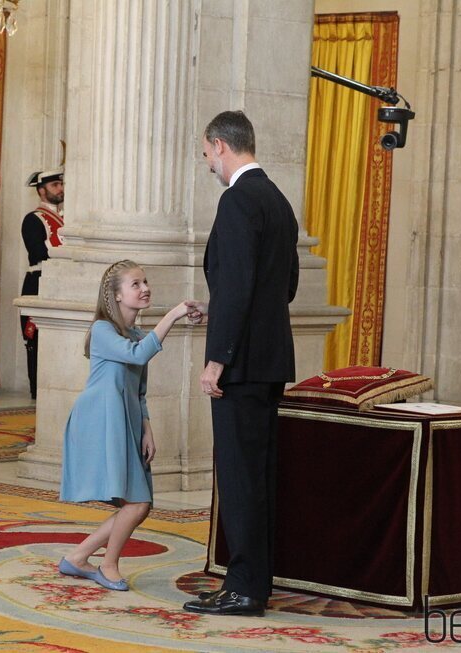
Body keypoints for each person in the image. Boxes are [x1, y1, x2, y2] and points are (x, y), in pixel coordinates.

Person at [182, 111, 300, 617]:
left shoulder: (236, 201)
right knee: (258, 476)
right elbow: (281, 287)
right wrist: (224, 312)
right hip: (270, 359)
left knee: (239, 477)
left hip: (242, 365)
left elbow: (234, 286)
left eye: (207, 152)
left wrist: (217, 359)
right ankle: (254, 581)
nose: (207, 161)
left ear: (219, 145)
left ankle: (245, 588)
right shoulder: (277, 200)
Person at [58, 260, 190, 591]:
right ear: (116, 295)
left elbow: (139, 390)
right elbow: (138, 355)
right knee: (138, 502)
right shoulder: (103, 330)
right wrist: (173, 314)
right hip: (101, 420)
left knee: (138, 504)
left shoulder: (136, 334)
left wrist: (147, 428)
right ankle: (108, 565)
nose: (144, 288)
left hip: (127, 419)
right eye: (135, 284)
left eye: (145, 282)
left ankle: (78, 557)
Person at [20, 169, 65, 399]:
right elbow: (38, 252)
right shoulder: (33, 219)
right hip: (39, 281)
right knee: (36, 340)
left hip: (64, 282)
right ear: (41, 190)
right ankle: (37, 390)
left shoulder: (67, 218)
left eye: (61, 184)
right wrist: (64, 234)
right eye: (55, 185)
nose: (60, 189)